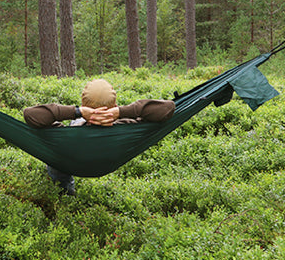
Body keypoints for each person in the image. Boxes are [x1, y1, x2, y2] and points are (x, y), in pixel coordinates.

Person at [23, 78, 175, 195]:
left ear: (83, 103)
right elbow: (168, 108)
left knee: (55, 146)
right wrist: (121, 112)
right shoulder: (129, 126)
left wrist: (77, 112)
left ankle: (64, 189)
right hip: (111, 150)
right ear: (114, 104)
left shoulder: (66, 135)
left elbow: (31, 115)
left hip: (72, 153)